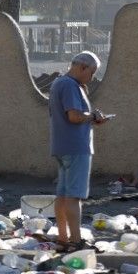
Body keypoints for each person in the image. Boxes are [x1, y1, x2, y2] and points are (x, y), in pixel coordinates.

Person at [47, 51, 109, 250]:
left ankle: (63, 238)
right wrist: (92, 117)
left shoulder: (59, 83)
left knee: (63, 196)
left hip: (62, 145)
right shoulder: (70, 85)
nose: (92, 77)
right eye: (92, 72)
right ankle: (75, 240)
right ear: (82, 67)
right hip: (76, 147)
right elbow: (73, 116)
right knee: (74, 197)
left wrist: (91, 117)